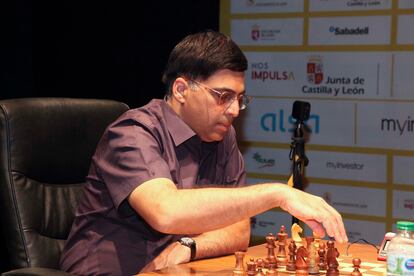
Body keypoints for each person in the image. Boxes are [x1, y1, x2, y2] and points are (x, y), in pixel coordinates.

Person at [60, 30, 348, 275]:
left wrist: (189, 246)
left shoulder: (222, 137)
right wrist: (278, 193)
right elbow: (166, 212)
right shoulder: (133, 132)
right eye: (223, 97)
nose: (234, 110)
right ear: (182, 89)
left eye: (239, 98)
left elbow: (238, 232)